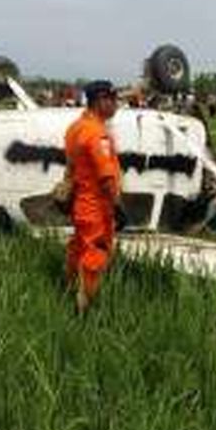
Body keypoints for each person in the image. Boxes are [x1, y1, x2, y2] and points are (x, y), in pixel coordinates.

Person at [64, 80, 125, 314]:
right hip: (97, 208)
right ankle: (84, 311)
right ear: (101, 101)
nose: (116, 105)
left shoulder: (75, 128)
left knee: (78, 249)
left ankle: (68, 290)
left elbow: (71, 167)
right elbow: (106, 177)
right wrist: (119, 207)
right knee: (95, 257)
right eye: (113, 100)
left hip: (80, 204)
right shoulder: (97, 134)